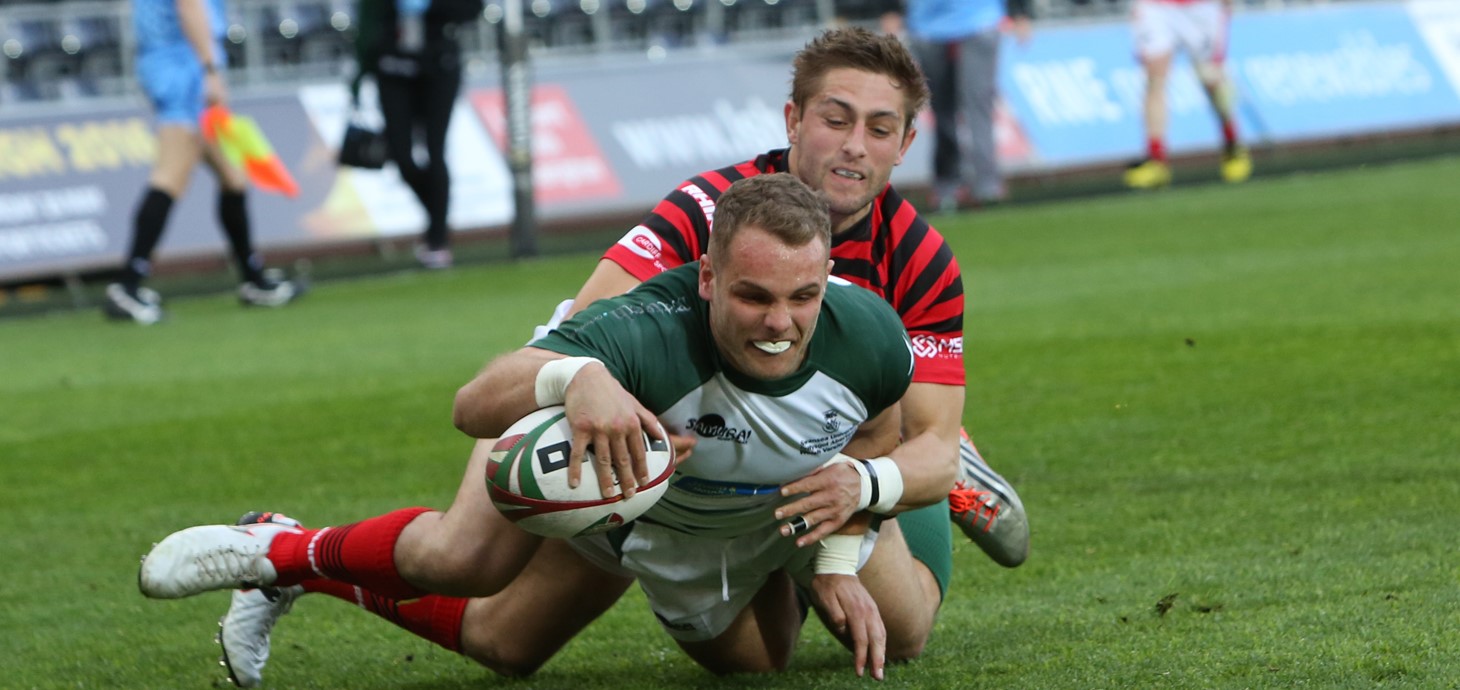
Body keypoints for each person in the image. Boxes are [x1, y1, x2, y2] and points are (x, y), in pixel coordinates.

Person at [144, 27, 1030, 686]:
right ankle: (283, 550)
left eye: (880, 128)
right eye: (836, 119)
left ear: (906, 143)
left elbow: (922, 433)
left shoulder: (919, 259)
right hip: (630, 407)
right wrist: (617, 412)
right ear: (794, 118)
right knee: (480, 594)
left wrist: (876, 492)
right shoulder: (709, 210)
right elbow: (598, 329)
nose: (854, 146)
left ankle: (941, 489)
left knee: (906, 622)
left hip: (812, 448)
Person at [140, 173, 939, 681]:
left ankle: (793, 557)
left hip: (734, 511)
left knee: (753, 663)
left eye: (802, 298)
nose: (779, 322)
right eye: (753, 297)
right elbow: (474, 402)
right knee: (465, 561)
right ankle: (282, 550)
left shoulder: (868, 337)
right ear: (706, 278)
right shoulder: (646, 331)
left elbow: (871, 439)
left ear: (828, 280)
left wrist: (834, 557)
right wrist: (579, 378)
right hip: (618, 483)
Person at [104, 0, 300, 324]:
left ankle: (253, 279)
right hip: (184, 69)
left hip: (172, 62)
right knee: (170, 176)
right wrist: (210, 70)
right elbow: (189, 5)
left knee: (233, 177)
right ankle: (127, 285)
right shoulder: (192, 62)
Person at [352, 0, 482, 270]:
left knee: (436, 150)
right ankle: (438, 218)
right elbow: (366, 20)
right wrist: (360, 70)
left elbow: (471, 9)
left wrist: (432, 6)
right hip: (392, 68)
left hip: (438, 66)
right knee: (401, 156)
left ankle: (437, 240)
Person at [886, 0, 1032, 211]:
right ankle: (949, 184)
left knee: (978, 105)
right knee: (943, 111)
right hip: (927, 26)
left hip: (979, 21)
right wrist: (888, 9)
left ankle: (986, 184)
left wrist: (1019, 12)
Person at [1123, 0, 1252, 189]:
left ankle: (1232, 143)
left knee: (1211, 79)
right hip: (1156, 6)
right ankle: (1156, 159)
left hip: (1202, 7)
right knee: (1154, 79)